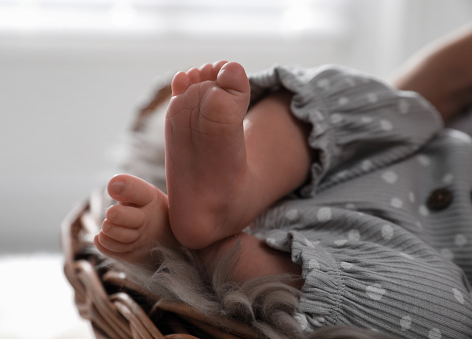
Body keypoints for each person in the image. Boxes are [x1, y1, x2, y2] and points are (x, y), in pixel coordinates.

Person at [94, 26, 472, 338]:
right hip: (371, 156)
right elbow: (445, 73)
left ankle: (221, 252)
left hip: (404, 258)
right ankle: (234, 188)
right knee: (365, 102)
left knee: (439, 314)